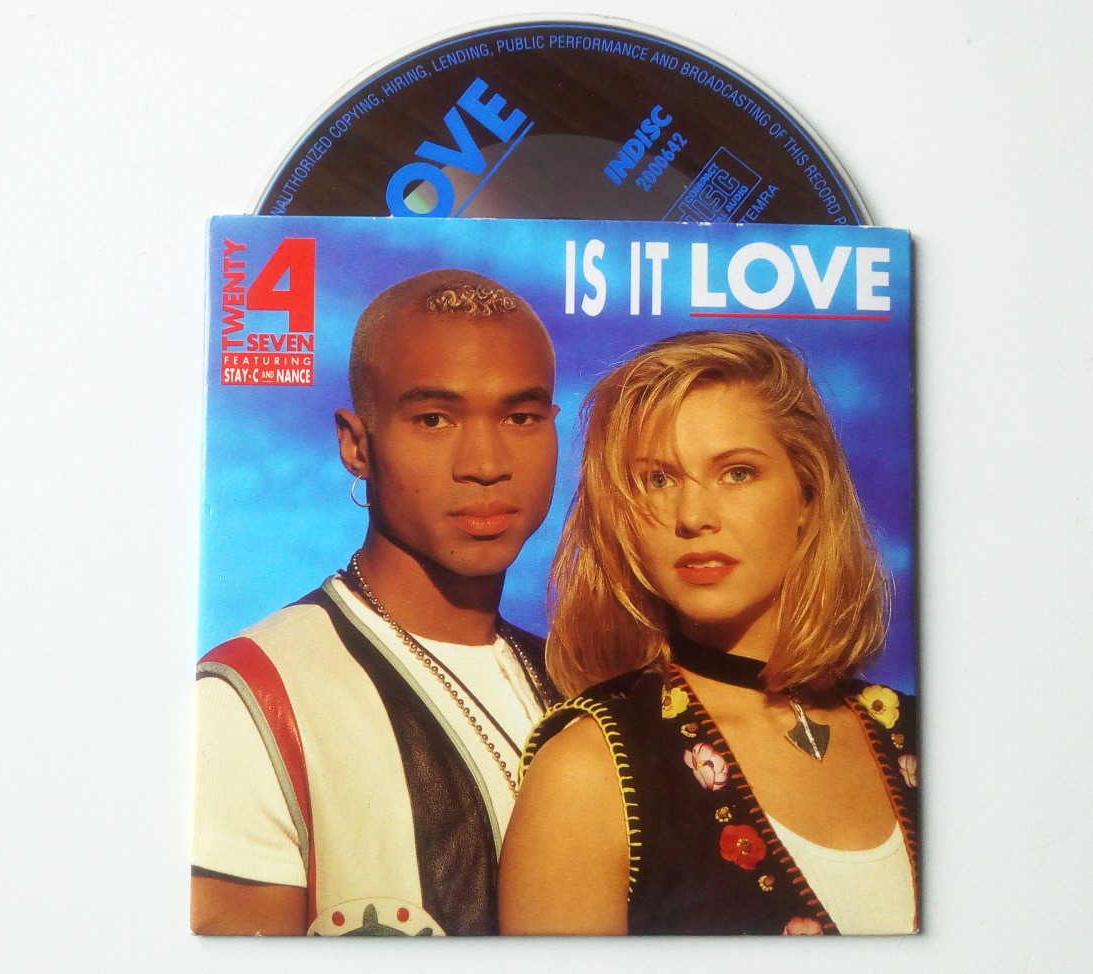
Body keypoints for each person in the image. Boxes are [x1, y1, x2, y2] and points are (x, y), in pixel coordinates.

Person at [499, 331, 918, 936]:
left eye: (737, 473)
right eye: (658, 480)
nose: (694, 517)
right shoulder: (589, 767)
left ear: (808, 494)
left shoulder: (925, 733)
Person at [192, 269, 561, 936]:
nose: (485, 463)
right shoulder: (253, 696)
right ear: (356, 444)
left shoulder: (581, 678)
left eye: (520, 417)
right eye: (434, 419)